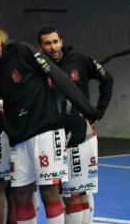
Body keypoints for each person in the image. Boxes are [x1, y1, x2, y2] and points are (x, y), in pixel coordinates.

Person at [0, 22, 99, 224]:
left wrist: (89, 111)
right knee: (21, 195)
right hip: (18, 139)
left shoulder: (21, 50)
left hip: (46, 132)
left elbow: (58, 76)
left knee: (50, 194)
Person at [38, 27, 113, 224]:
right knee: (70, 192)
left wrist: (98, 113)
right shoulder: (39, 66)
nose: (52, 46)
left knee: (77, 190)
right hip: (52, 136)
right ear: (41, 46)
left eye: (55, 41)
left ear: (62, 41)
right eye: (47, 43)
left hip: (78, 134)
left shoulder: (80, 60)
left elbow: (107, 80)